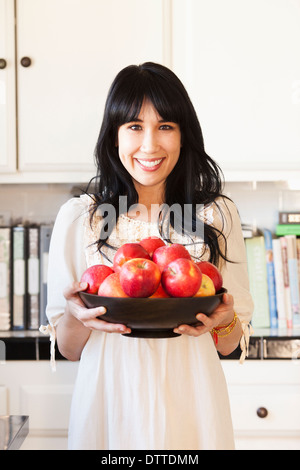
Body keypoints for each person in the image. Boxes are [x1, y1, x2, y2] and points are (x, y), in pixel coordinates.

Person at [43, 62, 253, 450]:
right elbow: (70, 349)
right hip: (110, 406)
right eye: (135, 127)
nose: (150, 145)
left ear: (183, 135)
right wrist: (79, 315)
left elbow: (229, 343)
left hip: (194, 405)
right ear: (114, 137)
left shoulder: (216, 215)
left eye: (165, 127)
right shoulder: (80, 218)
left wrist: (223, 322)